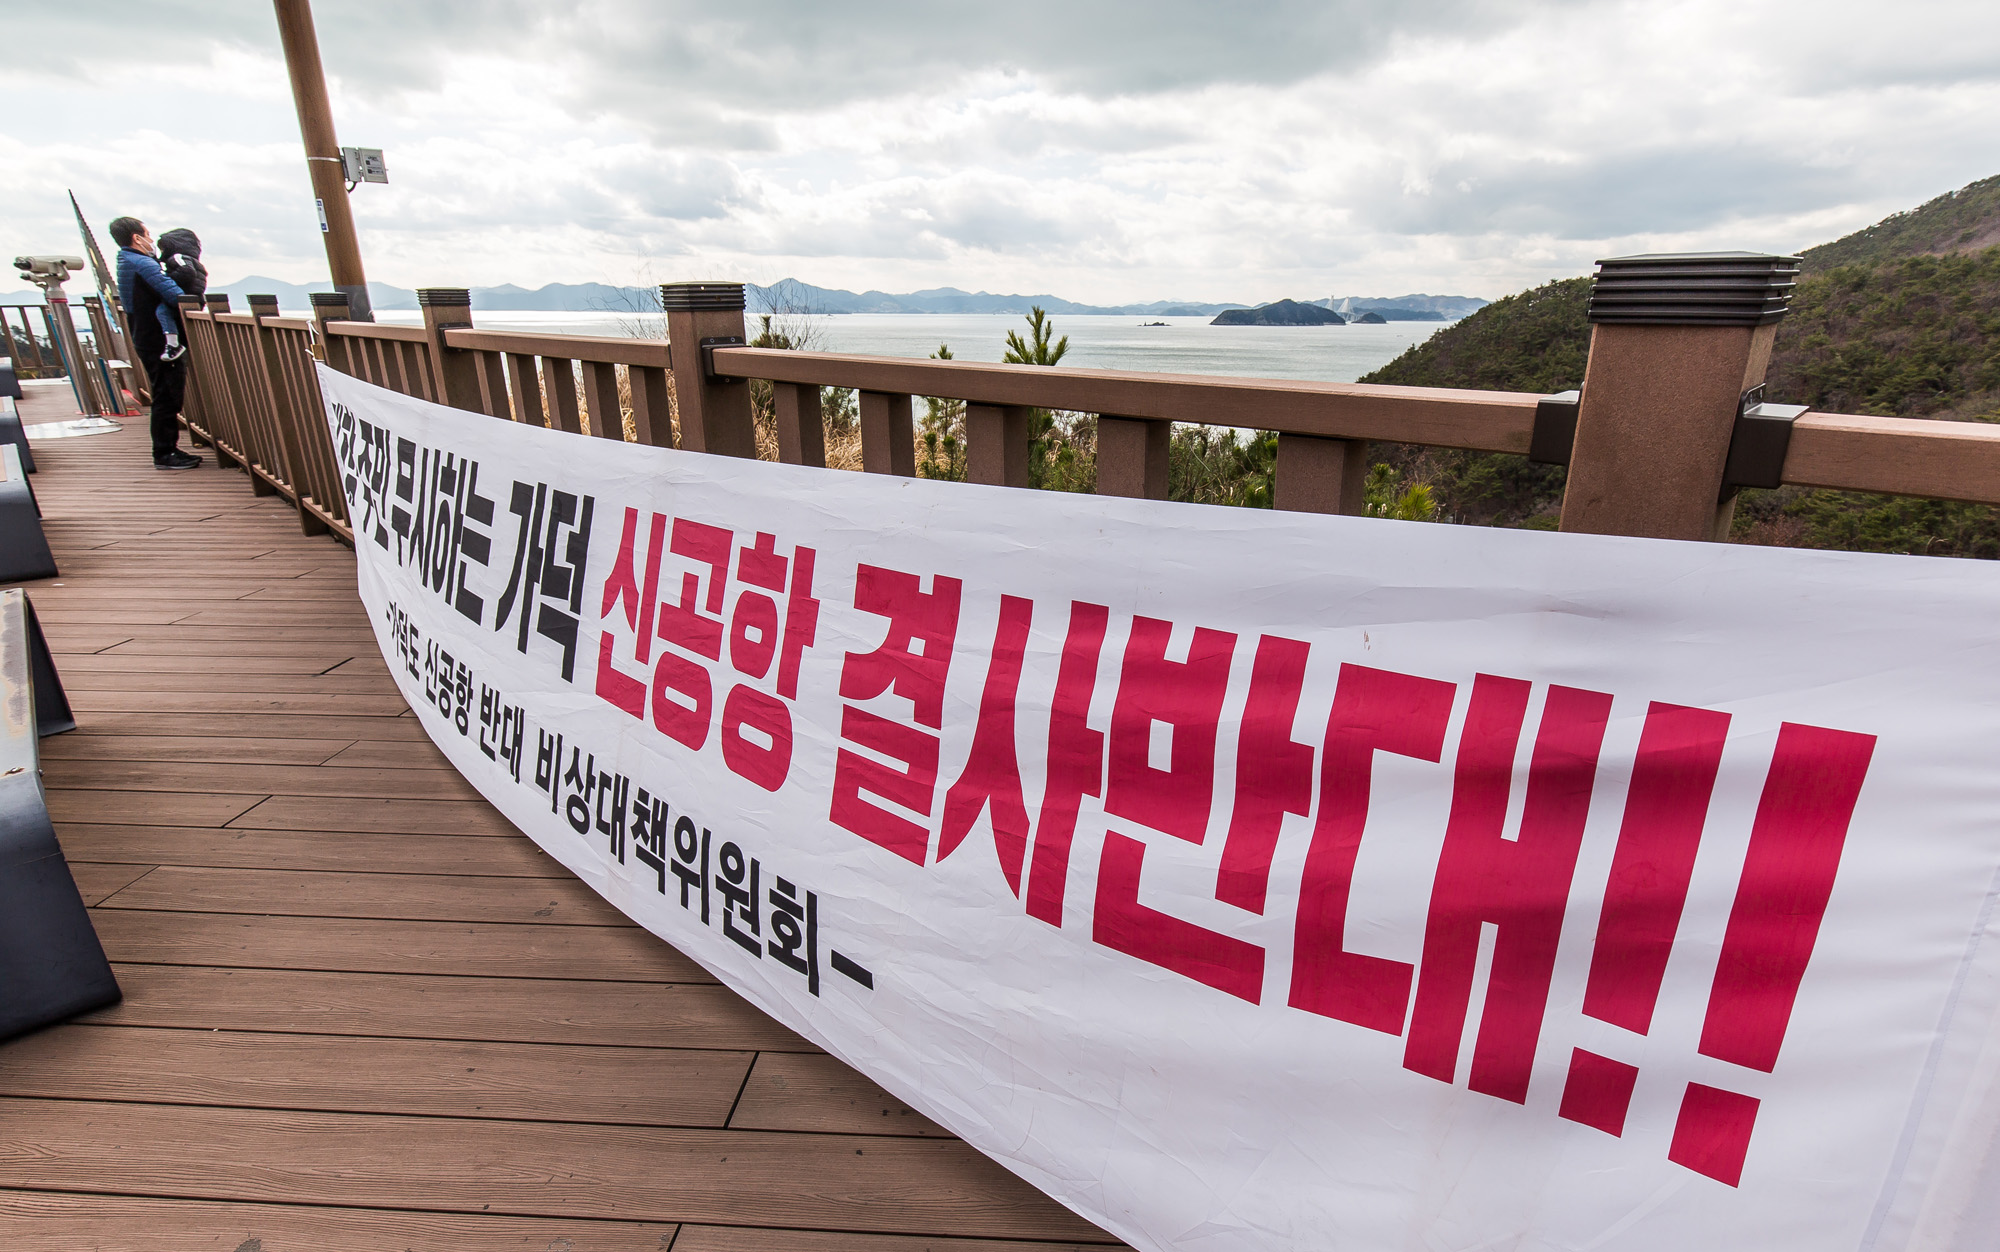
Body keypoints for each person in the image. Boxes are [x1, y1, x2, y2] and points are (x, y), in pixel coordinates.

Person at [110, 216, 200, 470]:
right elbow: (175, 295)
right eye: (148, 235)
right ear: (136, 238)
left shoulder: (126, 260)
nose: (151, 241)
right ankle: (164, 452)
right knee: (166, 394)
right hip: (157, 338)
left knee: (164, 393)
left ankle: (167, 449)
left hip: (144, 334)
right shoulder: (142, 263)